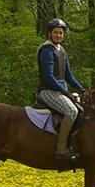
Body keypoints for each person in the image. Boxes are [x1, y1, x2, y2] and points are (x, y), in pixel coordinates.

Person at [36, 18, 87, 163]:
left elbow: (68, 75)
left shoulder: (61, 51)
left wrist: (81, 89)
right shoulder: (47, 50)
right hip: (48, 91)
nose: (58, 35)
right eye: (55, 33)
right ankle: (61, 149)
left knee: (82, 109)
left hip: (60, 91)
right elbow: (49, 77)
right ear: (49, 34)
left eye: (61, 33)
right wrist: (66, 93)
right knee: (72, 111)